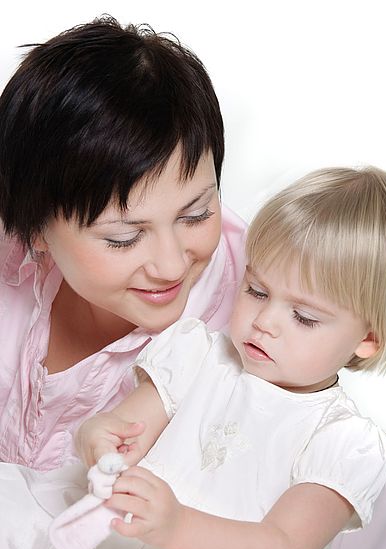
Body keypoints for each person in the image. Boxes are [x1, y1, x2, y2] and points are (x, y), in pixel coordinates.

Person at [0, 166, 386, 549]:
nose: (264, 322)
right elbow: (125, 427)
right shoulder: (200, 355)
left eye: (303, 317)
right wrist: (100, 441)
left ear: (369, 338)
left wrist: (177, 525)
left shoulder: (343, 440)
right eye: (257, 291)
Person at [0, 16, 246, 472]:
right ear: (34, 228)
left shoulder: (263, 317)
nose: (171, 266)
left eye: (196, 214)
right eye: (123, 238)